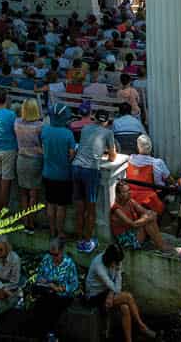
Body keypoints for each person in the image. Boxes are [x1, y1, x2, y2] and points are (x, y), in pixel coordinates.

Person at [86, 243, 158, 341]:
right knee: (128, 297)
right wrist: (112, 291)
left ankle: (129, 340)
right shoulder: (98, 265)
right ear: (110, 259)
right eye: (116, 263)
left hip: (108, 291)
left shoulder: (117, 260)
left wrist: (111, 293)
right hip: (95, 296)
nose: (118, 265)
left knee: (125, 308)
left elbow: (118, 280)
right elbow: (110, 284)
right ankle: (141, 325)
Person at [72, 108, 118, 253]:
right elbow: (112, 157)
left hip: (76, 167)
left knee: (79, 208)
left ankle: (79, 238)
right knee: (90, 209)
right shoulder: (108, 132)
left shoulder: (85, 128)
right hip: (90, 170)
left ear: (95, 118)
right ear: (106, 122)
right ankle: (87, 241)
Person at [41, 105, 77, 239]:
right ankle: (60, 232)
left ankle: (52, 231)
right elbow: (72, 154)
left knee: (50, 203)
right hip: (63, 175)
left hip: (48, 173)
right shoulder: (68, 134)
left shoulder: (45, 131)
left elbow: (43, 148)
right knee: (61, 206)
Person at [34, 238, 79, 342]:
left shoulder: (69, 263)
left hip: (62, 295)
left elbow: (74, 284)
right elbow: (39, 277)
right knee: (39, 304)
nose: (53, 257)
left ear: (62, 251)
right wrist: (46, 283)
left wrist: (61, 288)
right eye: (51, 254)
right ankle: (44, 334)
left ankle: (51, 334)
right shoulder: (46, 259)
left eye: (56, 254)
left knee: (52, 304)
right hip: (47, 291)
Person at [110, 181, 170, 252]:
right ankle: (161, 246)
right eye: (125, 191)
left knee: (148, 218)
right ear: (118, 194)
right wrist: (147, 218)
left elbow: (145, 211)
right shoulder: (117, 209)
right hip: (126, 240)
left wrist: (150, 214)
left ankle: (161, 244)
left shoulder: (130, 201)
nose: (129, 193)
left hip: (134, 232)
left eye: (129, 190)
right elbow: (133, 224)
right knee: (147, 222)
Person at [14, 98, 45, 233]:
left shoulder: (16, 123)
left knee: (23, 194)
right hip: (35, 160)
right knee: (33, 194)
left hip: (21, 159)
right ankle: (31, 223)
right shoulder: (40, 126)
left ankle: (25, 221)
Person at [126, 134, 174, 215]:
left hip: (132, 195)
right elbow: (169, 179)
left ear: (138, 148)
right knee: (172, 187)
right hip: (151, 196)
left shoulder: (130, 159)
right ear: (151, 148)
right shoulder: (157, 162)